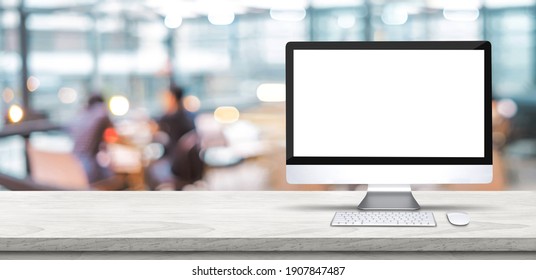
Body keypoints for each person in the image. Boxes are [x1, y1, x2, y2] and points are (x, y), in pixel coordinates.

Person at [147, 85, 201, 190]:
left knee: (150, 166)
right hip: (190, 165)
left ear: (172, 98)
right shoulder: (189, 115)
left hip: (176, 165)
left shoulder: (170, 118)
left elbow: (154, 126)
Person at [69, 93, 114, 183]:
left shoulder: (81, 114)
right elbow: (112, 132)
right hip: (87, 166)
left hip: (73, 162)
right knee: (113, 176)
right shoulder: (101, 112)